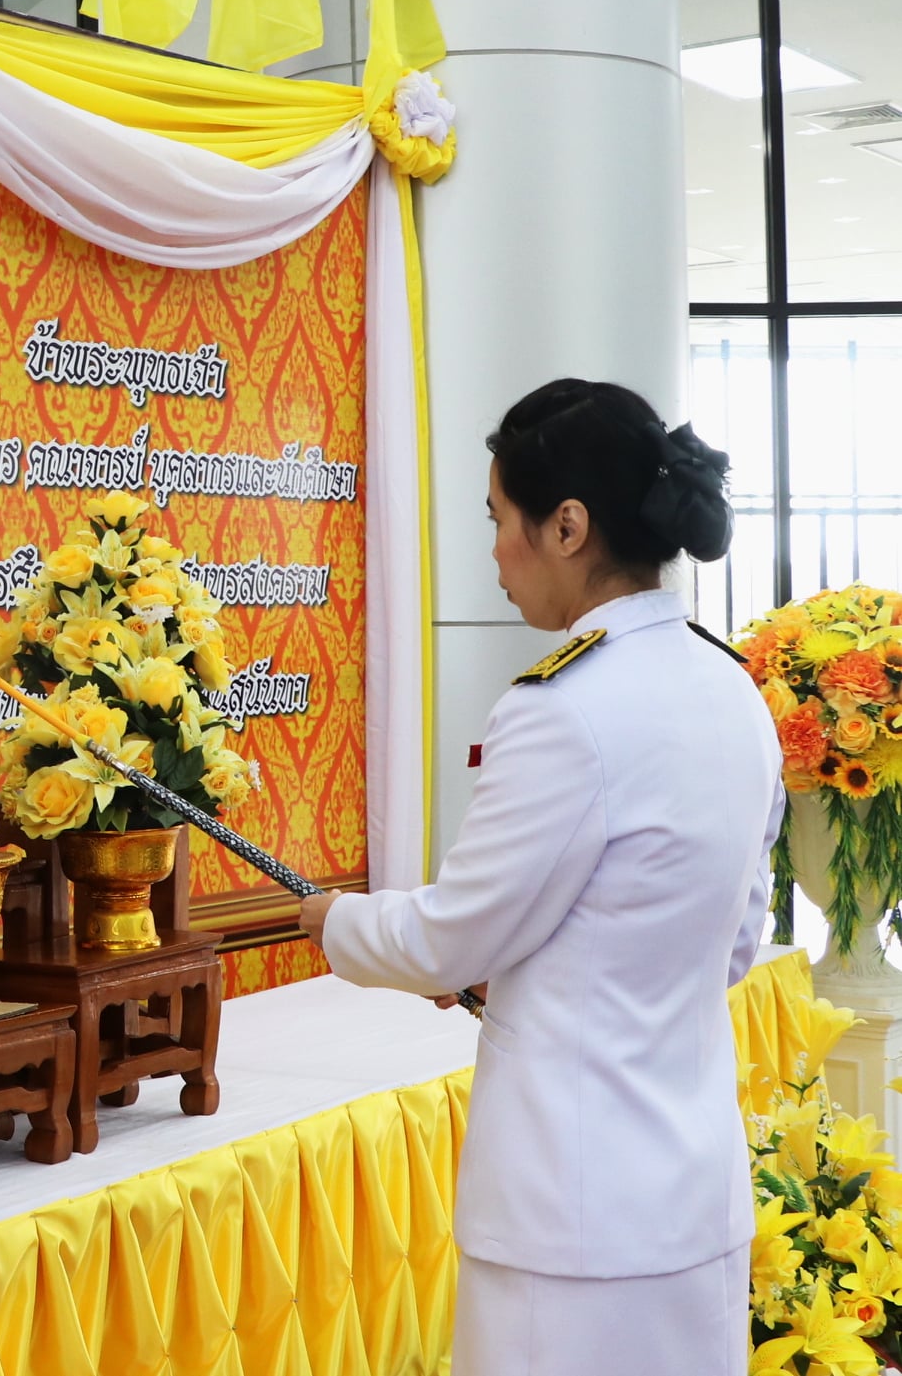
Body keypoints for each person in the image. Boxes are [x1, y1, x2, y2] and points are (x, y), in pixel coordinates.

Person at [299, 380, 782, 1376]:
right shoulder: (733, 688)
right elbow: (731, 943)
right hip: (693, 1200)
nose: (493, 552)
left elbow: (450, 938)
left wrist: (332, 920)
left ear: (567, 526)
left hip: (570, 1221)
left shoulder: (561, 707)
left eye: (497, 519)